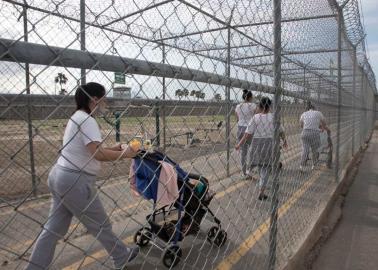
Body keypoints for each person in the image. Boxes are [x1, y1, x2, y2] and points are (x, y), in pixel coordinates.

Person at [26, 83, 139, 270]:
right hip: (75, 180)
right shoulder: (88, 120)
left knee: (54, 228)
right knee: (100, 224)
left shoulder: (77, 117)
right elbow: (98, 154)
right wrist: (127, 154)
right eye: (103, 98)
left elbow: (90, 150)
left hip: (60, 175)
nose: (105, 102)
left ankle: (35, 268)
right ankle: (121, 256)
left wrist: (115, 149)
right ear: (94, 99)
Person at [236, 97, 287, 201]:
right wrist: (285, 141)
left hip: (257, 144)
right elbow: (281, 131)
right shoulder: (274, 117)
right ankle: (261, 191)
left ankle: (258, 181)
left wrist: (239, 144)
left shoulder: (255, 117)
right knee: (265, 169)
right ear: (270, 106)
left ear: (259, 106)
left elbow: (247, 134)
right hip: (270, 144)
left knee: (261, 167)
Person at [299, 101, 329, 170]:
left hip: (305, 132)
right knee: (315, 150)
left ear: (308, 109)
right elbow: (324, 122)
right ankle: (313, 165)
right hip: (315, 132)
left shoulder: (304, 113)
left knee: (305, 150)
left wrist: (305, 127)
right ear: (314, 108)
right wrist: (323, 129)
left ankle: (301, 166)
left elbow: (300, 124)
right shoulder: (318, 113)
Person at [235, 89, 257, 179]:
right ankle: (250, 169)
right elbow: (256, 116)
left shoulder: (238, 106)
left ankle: (244, 172)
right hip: (249, 128)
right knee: (253, 149)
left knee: (243, 152)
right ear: (250, 97)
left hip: (240, 128)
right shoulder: (252, 105)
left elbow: (237, 118)